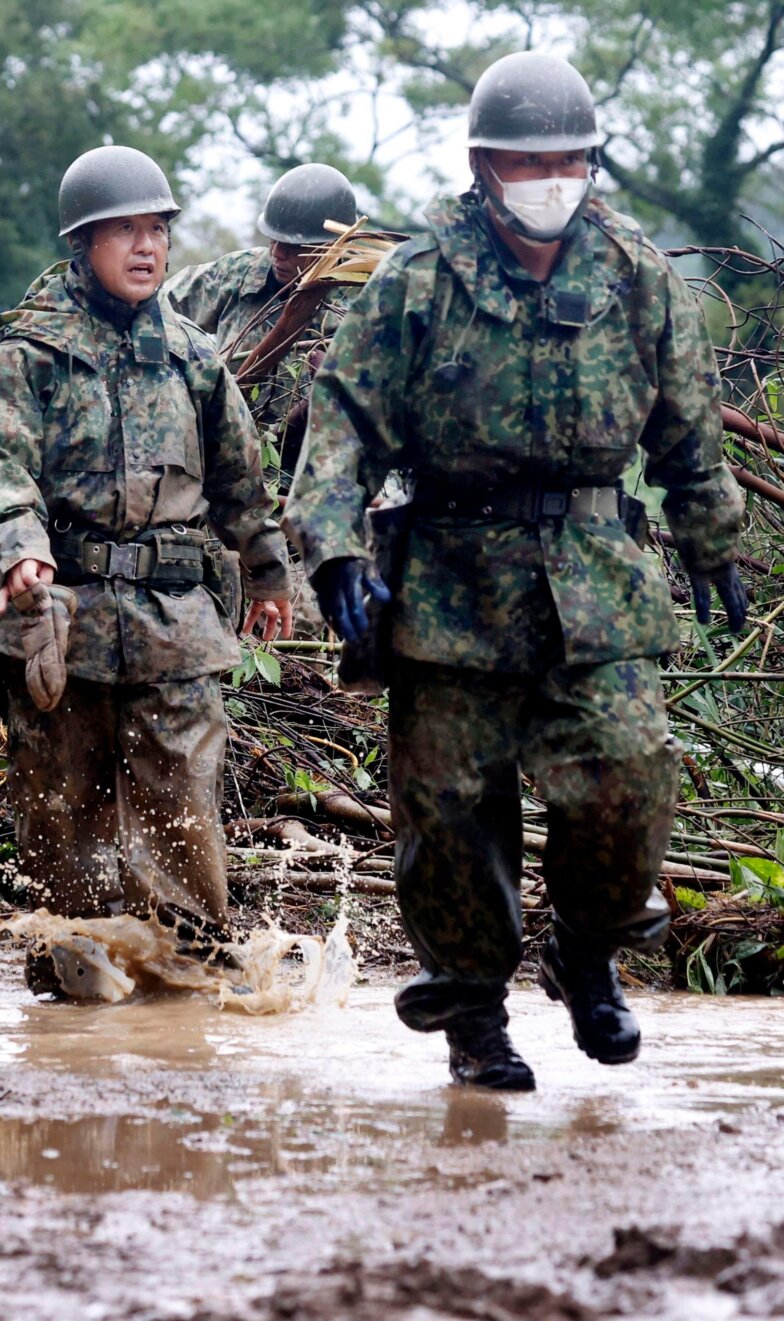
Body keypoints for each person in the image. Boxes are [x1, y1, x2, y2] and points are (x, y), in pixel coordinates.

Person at [286, 51, 747, 1091]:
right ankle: (475, 1013)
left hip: (596, 578)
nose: (551, 177)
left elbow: (686, 430)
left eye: (569, 159)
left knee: (629, 777)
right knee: (448, 812)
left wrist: (712, 537)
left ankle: (585, 949)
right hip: (451, 580)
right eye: (527, 160)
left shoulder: (634, 274)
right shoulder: (417, 279)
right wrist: (334, 551)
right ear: (484, 163)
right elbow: (342, 427)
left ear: (591, 162)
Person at [0, 145, 293, 996]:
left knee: (183, 808)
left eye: (157, 230)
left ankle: (182, 989)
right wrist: (18, 543)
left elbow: (240, 482)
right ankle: (70, 981)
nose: (147, 247)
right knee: (58, 813)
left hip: (172, 619)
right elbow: (0, 463)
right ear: (84, 244)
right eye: (125, 231)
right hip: (57, 611)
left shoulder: (193, 356)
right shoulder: (29, 352)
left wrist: (267, 574)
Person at [161, 162, 358, 470]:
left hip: (312, 474)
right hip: (222, 457)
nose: (278, 253)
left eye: (294, 246)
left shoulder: (359, 306)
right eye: (273, 239)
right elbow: (154, 306)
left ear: (332, 246)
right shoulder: (239, 274)